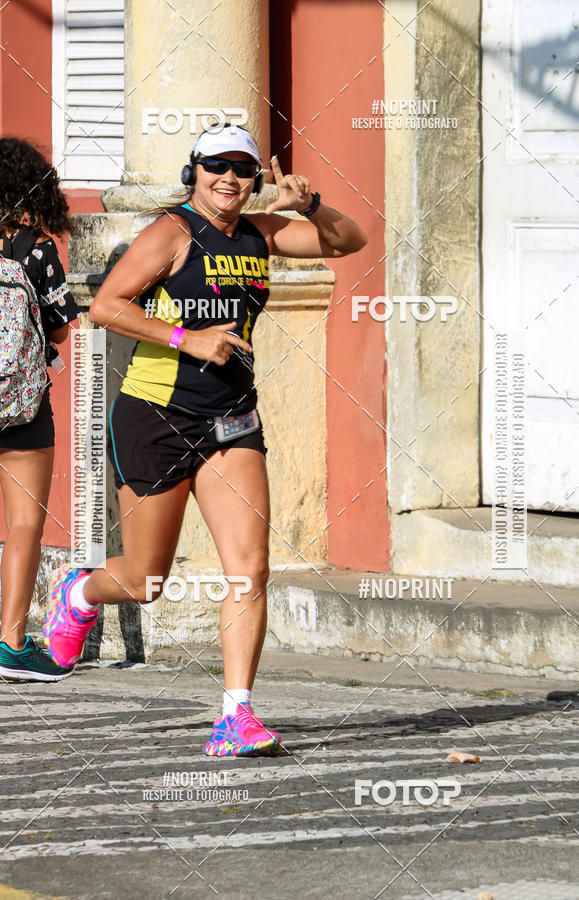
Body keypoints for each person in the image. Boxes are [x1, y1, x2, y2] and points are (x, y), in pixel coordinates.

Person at [43, 125, 367, 754]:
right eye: (217, 165)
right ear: (194, 171)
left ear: (256, 179)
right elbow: (107, 306)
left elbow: (349, 242)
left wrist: (309, 204)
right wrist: (187, 339)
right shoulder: (172, 232)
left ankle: (236, 715)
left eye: (243, 168)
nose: (230, 178)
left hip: (232, 420)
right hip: (156, 417)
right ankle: (79, 591)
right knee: (145, 581)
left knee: (250, 568)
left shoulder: (261, 233)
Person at [0, 137, 82, 681]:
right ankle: (11, 643)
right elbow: (58, 328)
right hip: (21, 402)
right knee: (25, 522)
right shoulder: (35, 249)